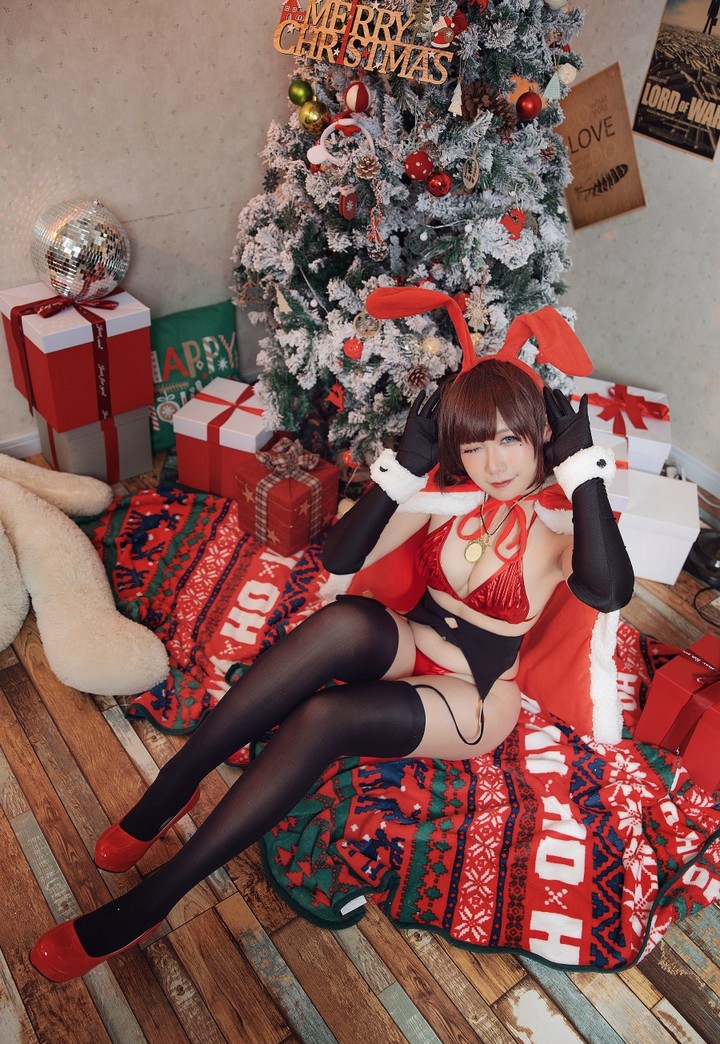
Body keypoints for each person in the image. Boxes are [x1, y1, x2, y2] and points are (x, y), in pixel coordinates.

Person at [30, 287, 634, 982]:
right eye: (472, 445)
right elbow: (342, 558)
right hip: (412, 641)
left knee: (324, 717)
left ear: (540, 437)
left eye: (509, 440)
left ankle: (154, 900)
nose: (493, 465)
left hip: (472, 694)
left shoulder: (560, 528)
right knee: (342, 619)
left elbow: (608, 590)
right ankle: (174, 787)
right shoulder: (453, 499)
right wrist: (405, 470)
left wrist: (583, 475)